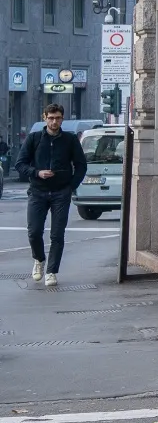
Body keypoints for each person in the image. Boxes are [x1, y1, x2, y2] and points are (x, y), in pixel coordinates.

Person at [17, 103, 87, 288]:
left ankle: (51, 271)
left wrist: (71, 186)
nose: (54, 122)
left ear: (62, 119)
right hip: (37, 191)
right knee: (34, 232)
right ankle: (39, 259)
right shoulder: (34, 138)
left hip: (61, 192)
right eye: (51, 118)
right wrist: (37, 172)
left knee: (57, 234)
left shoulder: (70, 139)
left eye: (57, 118)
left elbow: (81, 165)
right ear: (44, 118)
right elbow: (20, 164)